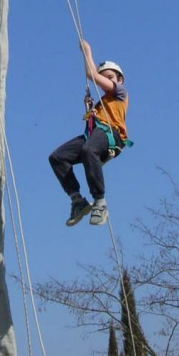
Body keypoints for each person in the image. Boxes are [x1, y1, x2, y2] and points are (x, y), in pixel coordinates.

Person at [48, 40, 131, 227]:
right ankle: (78, 200)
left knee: (88, 150)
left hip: (112, 135)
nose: (106, 80)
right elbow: (93, 75)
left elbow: (91, 75)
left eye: (110, 77)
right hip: (95, 134)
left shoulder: (120, 93)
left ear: (119, 80)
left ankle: (100, 201)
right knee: (57, 157)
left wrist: (87, 51)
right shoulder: (103, 103)